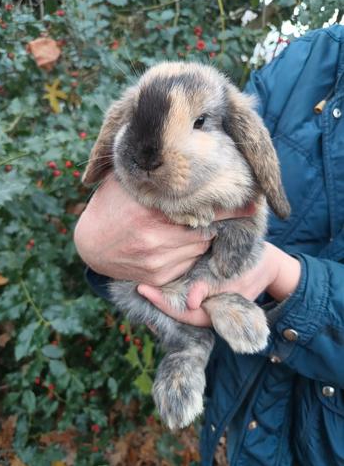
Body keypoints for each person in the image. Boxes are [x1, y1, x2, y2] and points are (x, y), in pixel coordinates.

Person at [74, 25, 344, 466]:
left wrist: (279, 275)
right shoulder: (308, 62)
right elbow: (114, 227)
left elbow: (256, 187)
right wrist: (97, 241)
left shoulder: (248, 122)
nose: (152, 154)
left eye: (197, 123)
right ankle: (188, 348)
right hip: (240, 419)